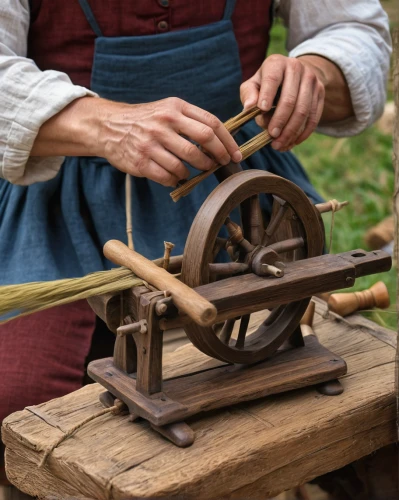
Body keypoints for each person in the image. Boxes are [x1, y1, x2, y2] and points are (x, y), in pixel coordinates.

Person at [0, 0, 391, 486]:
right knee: (18, 394)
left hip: (240, 197)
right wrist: (102, 123)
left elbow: (350, 26)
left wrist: (315, 73)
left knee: (370, 414)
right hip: (62, 206)